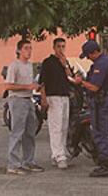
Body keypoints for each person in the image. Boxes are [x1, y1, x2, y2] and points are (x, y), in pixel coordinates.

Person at [75, 40, 108, 177]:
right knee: (101, 132)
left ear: (94, 52)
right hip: (102, 101)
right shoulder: (103, 61)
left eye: (88, 55)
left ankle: (106, 165)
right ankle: (105, 163)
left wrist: (81, 83)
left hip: (101, 102)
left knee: (100, 133)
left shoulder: (101, 64)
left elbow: (95, 87)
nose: (87, 58)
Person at [5, 40, 44, 175]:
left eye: (30, 48)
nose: (29, 51)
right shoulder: (14, 66)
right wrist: (27, 87)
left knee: (30, 132)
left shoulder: (29, 66)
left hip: (28, 100)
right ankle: (13, 164)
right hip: (17, 100)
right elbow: (9, 85)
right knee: (17, 132)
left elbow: (30, 82)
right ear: (19, 50)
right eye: (26, 48)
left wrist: (35, 86)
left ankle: (28, 161)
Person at [39, 38, 71, 169]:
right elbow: (42, 82)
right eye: (59, 46)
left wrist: (65, 66)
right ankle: (59, 155)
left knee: (64, 127)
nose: (61, 49)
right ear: (54, 47)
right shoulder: (48, 62)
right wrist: (43, 98)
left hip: (65, 96)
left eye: (63, 46)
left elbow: (70, 77)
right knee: (56, 127)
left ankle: (58, 152)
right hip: (53, 97)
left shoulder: (64, 62)